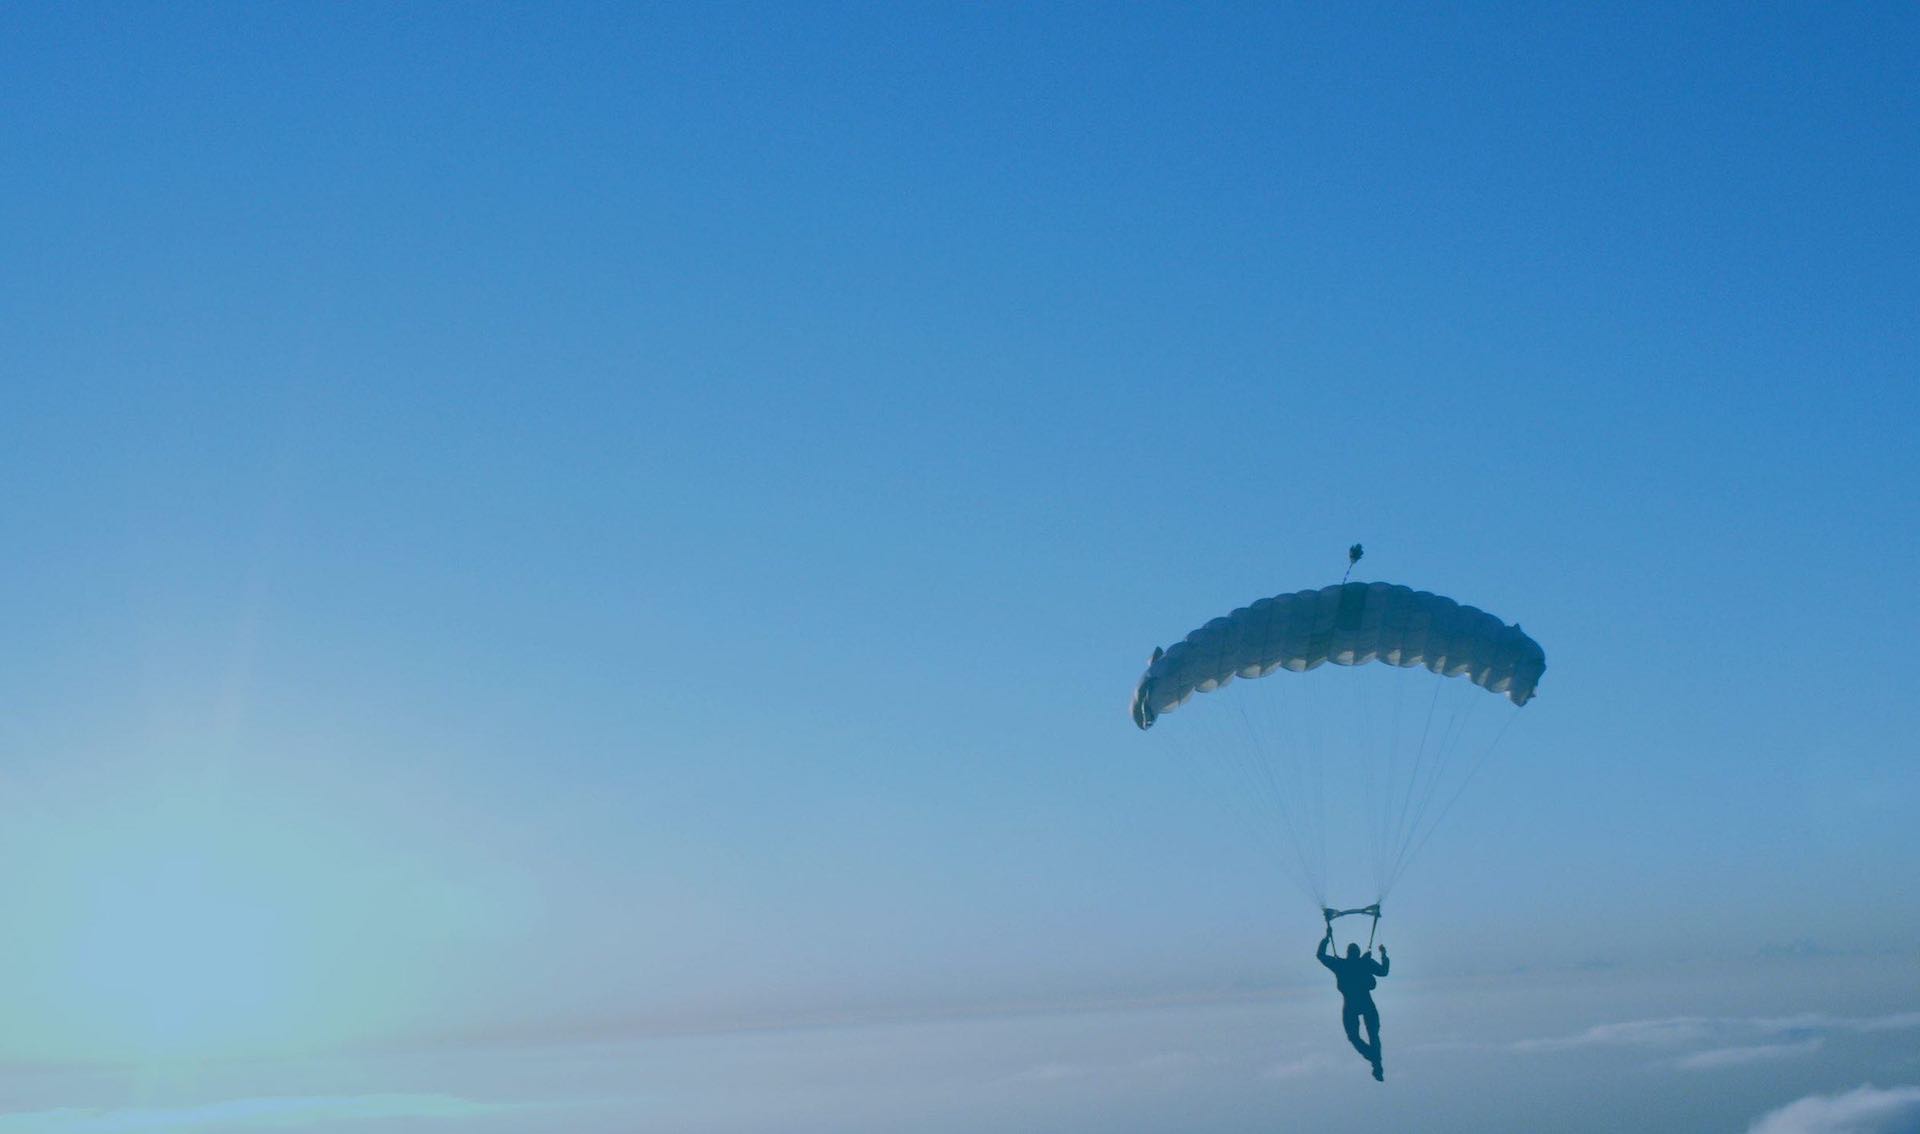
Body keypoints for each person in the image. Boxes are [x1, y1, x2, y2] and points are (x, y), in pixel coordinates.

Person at [1317, 928, 1389, 1080]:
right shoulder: (1366, 963)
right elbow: (1383, 971)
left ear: (1348, 954)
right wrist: (1383, 954)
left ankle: (1373, 1058)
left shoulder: (1340, 965)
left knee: (1354, 1036)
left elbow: (1320, 955)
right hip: (1366, 1003)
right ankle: (1376, 1062)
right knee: (1373, 1035)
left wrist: (1326, 938)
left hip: (1350, 1005)